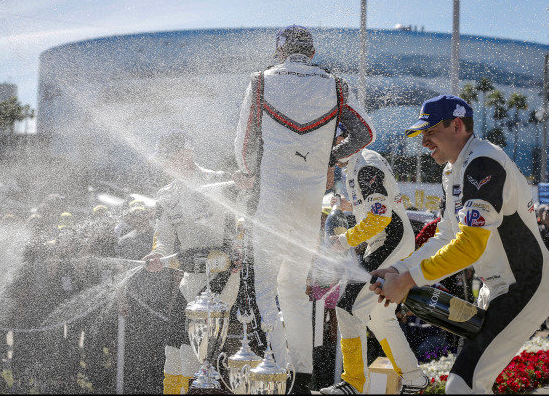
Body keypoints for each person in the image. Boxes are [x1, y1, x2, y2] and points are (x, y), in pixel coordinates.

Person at [370, 95, 549, 394]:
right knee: (469, 384)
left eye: (429, 132)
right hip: (497, 288)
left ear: (457, 125)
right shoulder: (453, 169)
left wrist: (407, 280)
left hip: (526, 286)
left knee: (461, 385)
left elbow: (470, 247)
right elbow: (445, 236)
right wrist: (397, 268)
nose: (424, 143)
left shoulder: (484, 162)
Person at [234, 25, 375, 392]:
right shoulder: (336, 84)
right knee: (294, 288)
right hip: (310, 203)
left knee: (264, 290)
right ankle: (303, 375)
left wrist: (250, 172)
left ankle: (278, 370)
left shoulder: (261, 81)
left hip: (272, 199)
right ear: (311, 52)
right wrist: (330, 155)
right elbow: (365, 134)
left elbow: (244, 144)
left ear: (279, 51)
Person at [319, 143, 427, 394]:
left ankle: (354, 383)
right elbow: (378, 210)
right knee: (380, 317)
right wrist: (351, 207)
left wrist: (344, 240)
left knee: (346, 306)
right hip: (388, 240)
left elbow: (381, 218)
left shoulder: (365, 166)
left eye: (330, 146)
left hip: (391, 240)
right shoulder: (360, 162)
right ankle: (414, 379)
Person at [143, 130, 242, 394]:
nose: (163, 163)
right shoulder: (165, 194)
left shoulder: (219, 180)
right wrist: (157, 255)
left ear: (186, 154)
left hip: (221, 275)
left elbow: (244, 220)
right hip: (189, 277)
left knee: (191, 355)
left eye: (168, 157)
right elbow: (162, 237)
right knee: (171, 353)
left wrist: (238, 250)